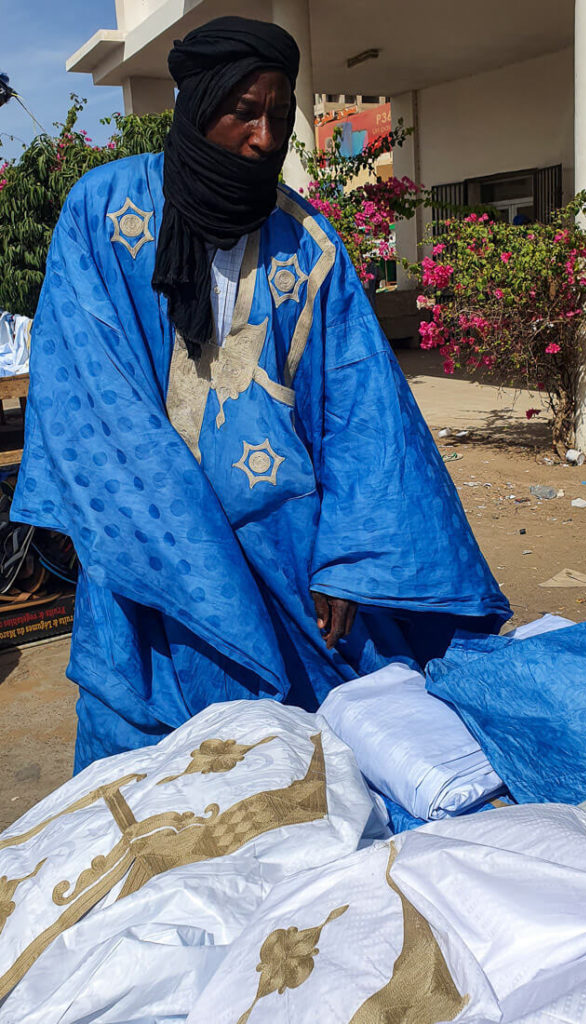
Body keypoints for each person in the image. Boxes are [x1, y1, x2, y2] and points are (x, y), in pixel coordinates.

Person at [12, 17, 510, 771]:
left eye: (278, 115)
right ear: (199, 102)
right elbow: (90, 398)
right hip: (155, 546)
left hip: (289, 547)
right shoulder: (102, 212)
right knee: (158, 770)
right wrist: (185, 548)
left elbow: (364, 413)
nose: (263, 135)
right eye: (245, 109)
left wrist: (349, 559)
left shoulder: (307, 240)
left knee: (324, 757)